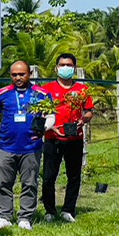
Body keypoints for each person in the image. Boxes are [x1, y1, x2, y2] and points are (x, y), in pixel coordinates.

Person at [0, 61, 51, 230]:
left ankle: (25, 217)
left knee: (30, 183)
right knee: (3, 183)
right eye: (14, 75)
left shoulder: (42, 94)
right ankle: (4, 216)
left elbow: (51, 115)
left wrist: (44, 128)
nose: (18, 78)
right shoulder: (3, 94)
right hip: (6, 146)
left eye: (21, 74)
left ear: (29, 73)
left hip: (31, 147)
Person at [40, 53, 95, 223]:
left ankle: (68, 209)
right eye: (62, 65)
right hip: (52, 137)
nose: (65, 68)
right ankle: (49, 210)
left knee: (74, 176)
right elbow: (39, 112)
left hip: (74, 138)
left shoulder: (82, 90)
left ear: (74, 68)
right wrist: (50, 126)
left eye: (69, 65)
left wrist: (82, 120)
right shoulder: (46, 89)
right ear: (56, 68)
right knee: (49, 176)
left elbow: (89, 111)